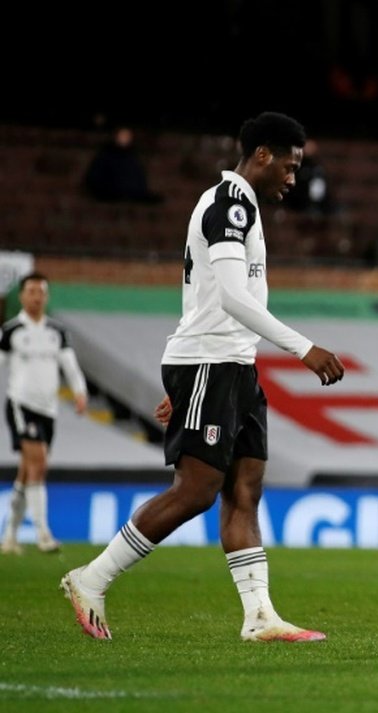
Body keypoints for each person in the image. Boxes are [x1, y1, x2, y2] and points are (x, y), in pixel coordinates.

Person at [60, 112, 346, 642]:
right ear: (262, 154)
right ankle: (91, 578)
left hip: (232, 363)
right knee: (196, 490)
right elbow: (233, 299)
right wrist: (304, 349)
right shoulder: (228, 204)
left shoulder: (241, 207)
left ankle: (259, 615)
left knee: (245, 488)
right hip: (210, 361)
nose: (292, 177)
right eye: (289, 164)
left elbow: (211, 297)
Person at [0, 273, 88, 555]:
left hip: (48, 409)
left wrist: (79, 392)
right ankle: (42, 533)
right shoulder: (11, 331)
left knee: (27, 472)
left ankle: (10, 535)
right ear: (22, 297)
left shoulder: (56, 332)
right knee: (38, 463)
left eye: (41, 292)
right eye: (31, 292)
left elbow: (70, 366)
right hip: (21, 405)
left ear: (46, 297)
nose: (36, 297)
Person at [82, 126, 162, 203]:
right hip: (110, 192)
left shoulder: (132, 157)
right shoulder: (105, 156)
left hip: (130, 192)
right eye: (122, 136)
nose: (124, 139)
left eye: (126, 136)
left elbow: (138, 178)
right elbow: (94, 178)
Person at [283, 138, 335, 216]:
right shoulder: (296, 168)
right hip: (296, 203)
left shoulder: (318, 169)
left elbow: (321, 191)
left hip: (315, 205)